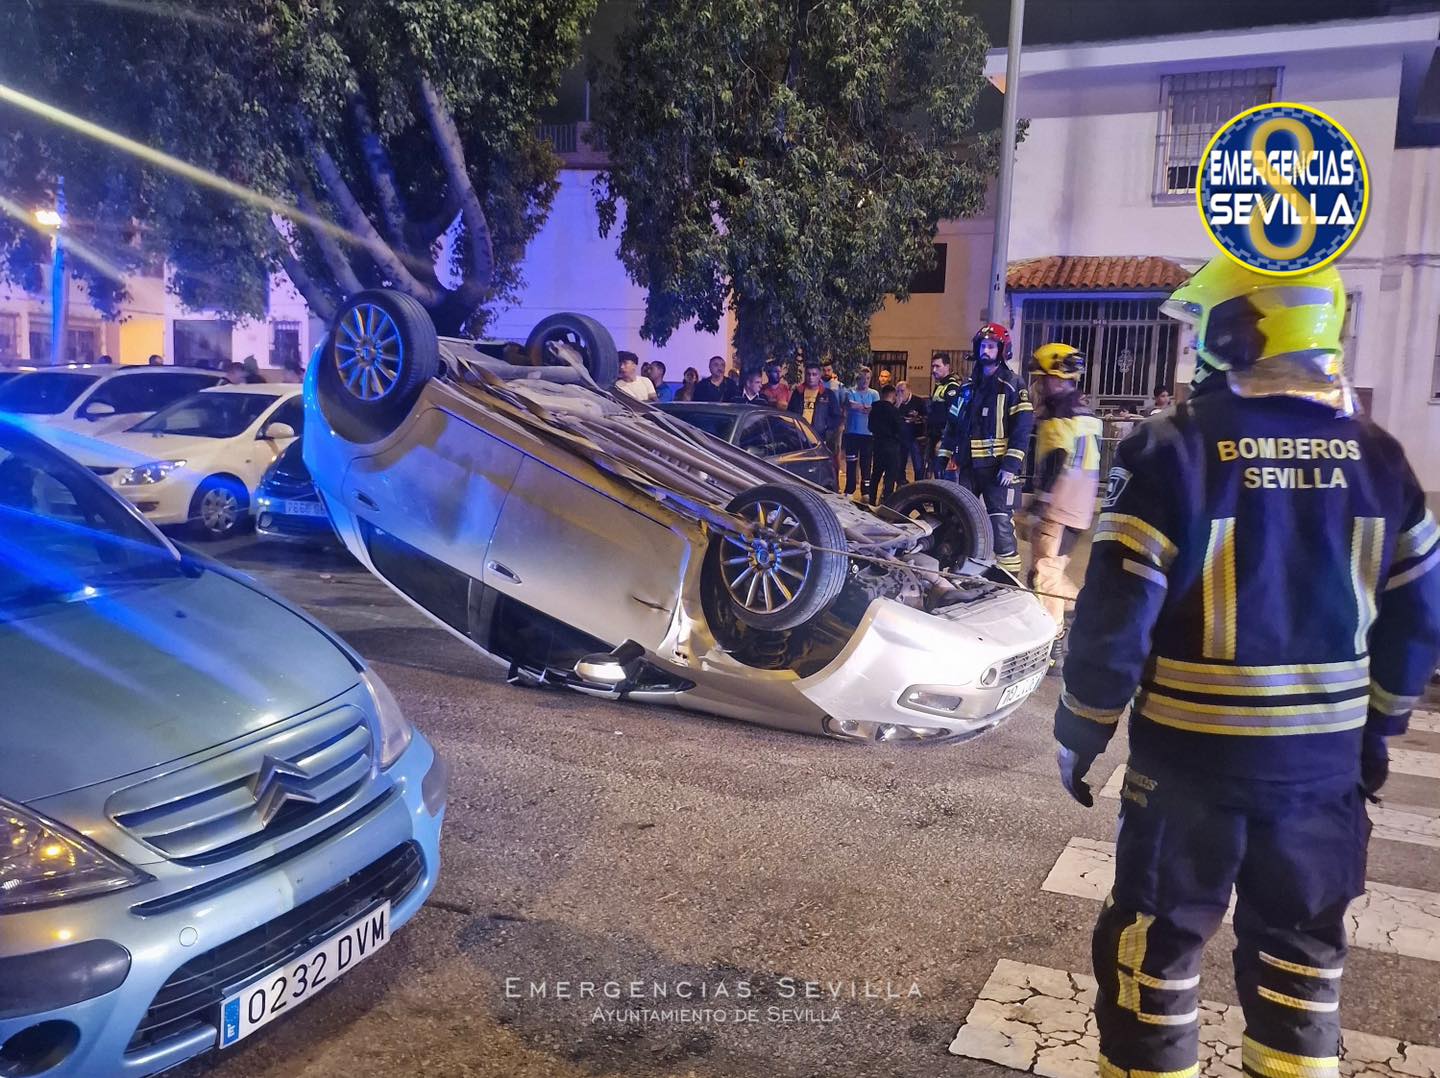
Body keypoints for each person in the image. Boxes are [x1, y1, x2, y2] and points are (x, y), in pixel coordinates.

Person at [1054, 256, 1440, 1078]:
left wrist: (1081, 727)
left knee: (1152, 969)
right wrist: (1375, 741)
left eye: (1204, 330)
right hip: (1322, 780)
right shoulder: (1381, 460)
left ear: (1236, 329)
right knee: (1301, 977)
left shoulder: (1172, 448)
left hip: (1190, 775)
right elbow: (1418, 625)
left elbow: (1114, 612)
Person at [1023, 343, 1102, 667]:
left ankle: (1053, 643)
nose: (1039, 384)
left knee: (1043, 575)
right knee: (1051, 571)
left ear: (1057, 379)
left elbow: (1057, 460)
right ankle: (1086, 607)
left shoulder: (1059, 416)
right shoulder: (1086, 412)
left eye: (1043, 378)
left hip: (1059, 508)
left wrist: (1040, 504)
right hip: (1081, 509)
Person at [940, 324, 1033, 576]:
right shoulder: (968, 388)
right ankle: (959, 569)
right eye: (983, 346)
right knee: (960, 518)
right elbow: (953, 424)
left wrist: (1010, 465)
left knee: (1000, 521)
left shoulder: (1013, 384)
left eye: (991, 346)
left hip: (996, 470)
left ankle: (1009, 576)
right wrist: (944, 455)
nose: (986, 350)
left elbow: (1022, 429)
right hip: (968, 466)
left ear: (1002, 350)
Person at [787, 360, 841, 456]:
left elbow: (836, 417)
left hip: (819, 438)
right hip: (799, 436)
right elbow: (790, 413)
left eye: (814, 374)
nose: (811, 377)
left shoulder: (828, 394)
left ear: (819, 376)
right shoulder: (798, 393)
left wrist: (826, 429)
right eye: (808, 374)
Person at [842, 367, 878, 499]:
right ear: (858, 379)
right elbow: (851, 405)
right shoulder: (850, 391)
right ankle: (849, 489)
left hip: (868, 433)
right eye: (862, 378)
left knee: (866, 463)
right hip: (852, 432)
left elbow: (876, 408)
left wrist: (864, 408)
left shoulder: (874, 394)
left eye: (868, 378)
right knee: (851, 463)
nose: (865, 381)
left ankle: (866, 491)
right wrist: (866, 408)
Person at [926, 353, 963, 480]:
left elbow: (953, 417)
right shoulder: (940, 385)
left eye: (937, 366)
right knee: (937, 475)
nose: (934, 370)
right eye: (933, 366)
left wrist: (943, 439)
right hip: (934, 437)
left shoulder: (952, 387)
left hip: (944, 440)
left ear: (947, 366)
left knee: (945, 477)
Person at [867, 383, 904, 504]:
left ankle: (871, 500)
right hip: (891, 446)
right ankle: (887, 502)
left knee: (876, 474)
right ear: (893, 395)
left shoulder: (874, 408)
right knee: (890, 475)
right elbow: (899, 428)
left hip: (877, 444)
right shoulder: (894, 411)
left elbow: (870, 427)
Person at [896, 382, 926, 482]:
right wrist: (897, 405)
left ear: (909, 390)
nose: (900, 394)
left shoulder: (918, 401)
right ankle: (902, 484)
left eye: (902, 391)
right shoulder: (896, 403)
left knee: (918, 465)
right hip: (901, 438)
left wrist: (916, 419)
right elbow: (893, 417)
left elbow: (926, 417)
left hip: (915, 437)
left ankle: (919, 485)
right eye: (898, 391)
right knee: (899, 464)